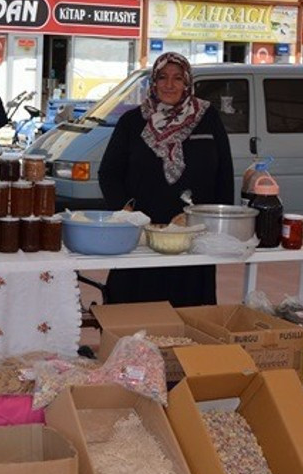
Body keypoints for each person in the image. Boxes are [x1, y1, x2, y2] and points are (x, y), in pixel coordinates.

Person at [98, 52, 233, 307]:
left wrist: (219, 227)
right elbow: (109, 173)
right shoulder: (132, 122)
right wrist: (127, 212)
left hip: (192, 235)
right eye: (162, 77)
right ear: (154, 81)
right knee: (134, 311)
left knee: (190, 314)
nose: (169, 84)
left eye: (177, 78)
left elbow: (223, 174)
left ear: (187, 82)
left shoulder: (207, 118)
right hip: (142, 236)